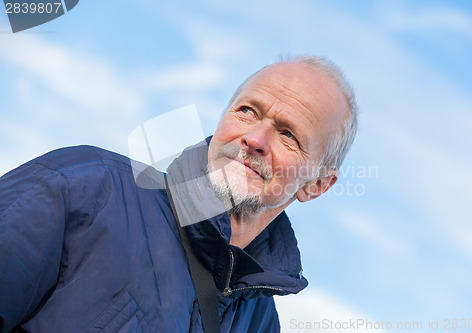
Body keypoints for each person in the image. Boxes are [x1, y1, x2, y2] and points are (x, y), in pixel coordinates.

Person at [0, 55, 357, 332]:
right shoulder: (83, 186)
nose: (255, 139)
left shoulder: (260, 325)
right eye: (248, 111)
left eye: (288, 135)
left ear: (316, 184)